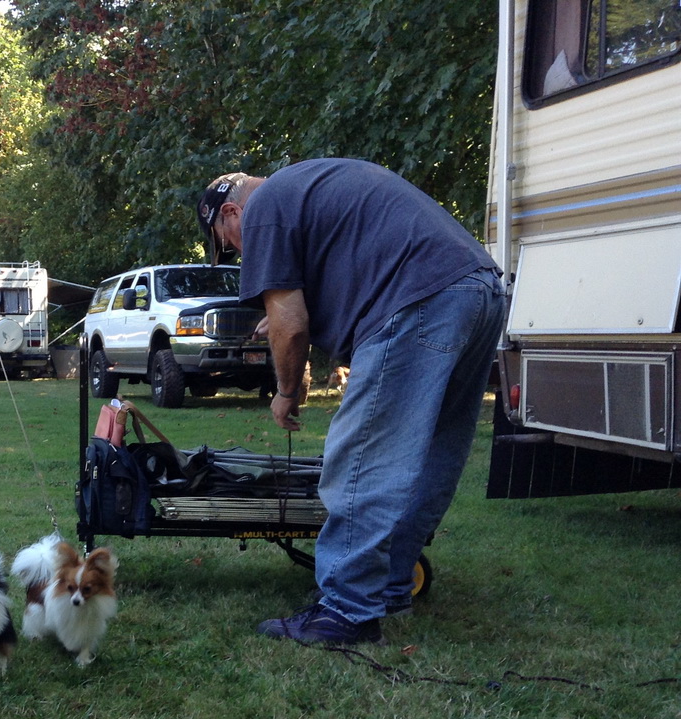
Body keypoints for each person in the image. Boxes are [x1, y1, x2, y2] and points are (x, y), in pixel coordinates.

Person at [196, 159, 507, 645]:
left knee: (361, 456)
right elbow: (339, 285)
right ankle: (386, 589)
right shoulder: (306, 184)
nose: (237, 255)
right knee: (431, 453)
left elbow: (292, 324)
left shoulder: (266, 210)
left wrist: (285, 391)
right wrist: (283, 322)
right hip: (476, 287)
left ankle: (345, 611)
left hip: (420, 298)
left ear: (232, 212)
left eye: (227, 244)